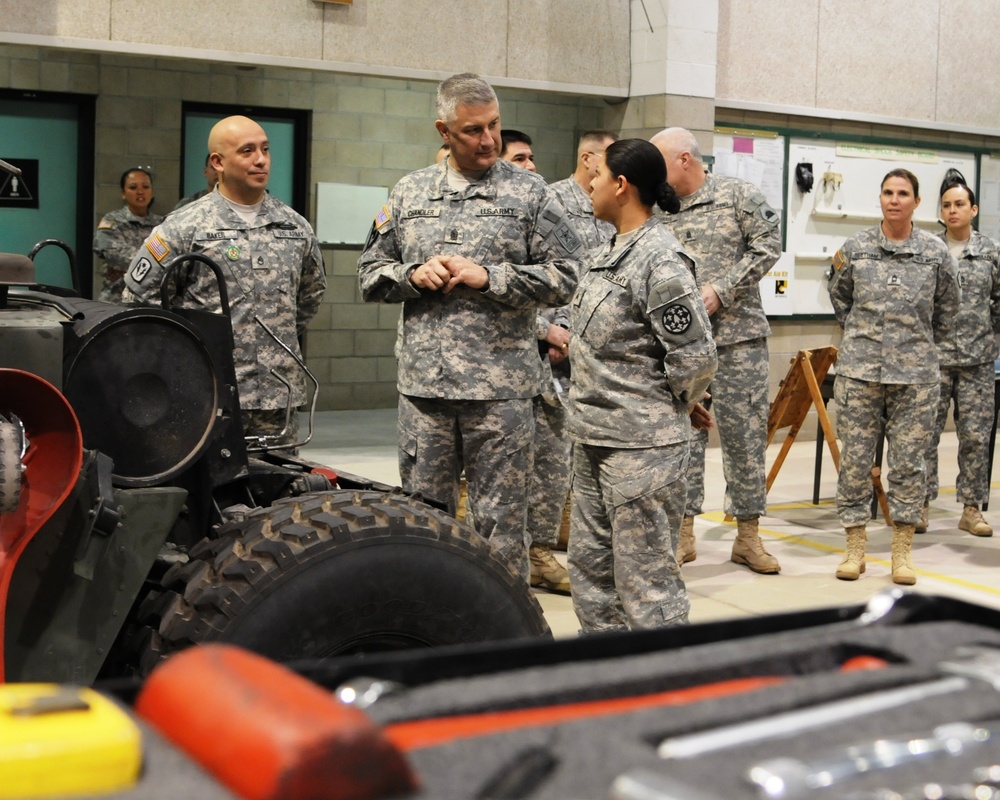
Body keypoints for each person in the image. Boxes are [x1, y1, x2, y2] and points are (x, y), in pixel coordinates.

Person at [357, 73, 581, 581]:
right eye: (472, 130)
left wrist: (492, 278)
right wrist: (412, 275)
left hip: (500, 394)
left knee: (501, 527)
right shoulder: (409, 192)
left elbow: (571, 275)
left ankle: (503, 640)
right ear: (444, 130)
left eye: (494, 125)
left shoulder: (531, 194)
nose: (488, 140)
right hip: (424, 392)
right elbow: (370, 273)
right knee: (424, 521)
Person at [567, 138, 717, 631]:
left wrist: (674, 405)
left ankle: (668, 691)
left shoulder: (660, 260)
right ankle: (608, 685)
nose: (590, 183)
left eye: (599, 175)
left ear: (622, 185)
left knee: (646, 585)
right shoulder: (606, 251)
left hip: (640, 448)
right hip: (593, 436)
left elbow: (695, 357)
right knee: (592, 577)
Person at [123, 115, 326, 448]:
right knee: (211, 496)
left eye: (265, 149)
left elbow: (308, 298)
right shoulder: (184, 227)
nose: (261, 159)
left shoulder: (294, 226)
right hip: (206, 396)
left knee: (282, 494)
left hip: (277, 397)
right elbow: (140, 302)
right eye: (247, 151)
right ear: (217, 161)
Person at [650, 127, 781, 573]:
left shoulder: (737, 195)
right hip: (684, 347)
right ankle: (684, 534)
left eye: (661, 161)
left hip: (739, 341)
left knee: (745, 439)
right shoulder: (659, 209)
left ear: (685, 159)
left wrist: (722, 290)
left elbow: (769, 247)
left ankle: (748, 536)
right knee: (686, 438)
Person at [828, 168, 960, 585]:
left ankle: (901, 553)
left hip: (916, 378)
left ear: (917, 202)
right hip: (860, 374)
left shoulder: (935, 253)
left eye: (903, 193)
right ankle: (855, 550)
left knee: (908, 466)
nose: (894, 199)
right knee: (854, 464)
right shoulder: (856, 248)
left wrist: (914, 347)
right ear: (880, 199)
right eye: (888, 192)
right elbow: (840, 300)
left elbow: (947, 310)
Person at [513, 130, 620, 594]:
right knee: (516, 467)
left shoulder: (612, 209)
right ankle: (510, 555)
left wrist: (576, 335)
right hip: (526, 359)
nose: (530, 167)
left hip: (577, 359)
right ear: (589, 157)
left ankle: (541, 550)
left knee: (557, 467)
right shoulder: (547, 201)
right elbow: (518, 280)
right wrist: (547, 330)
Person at [921, 178, 1000, 537]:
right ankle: (919, 505)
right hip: (932, 360)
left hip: (977, 361)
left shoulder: (991, 252)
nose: (952, 210)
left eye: (959, 204)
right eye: (946, 205)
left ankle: (972, 508)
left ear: (973, 210)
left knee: (976, 437)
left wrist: (986, 335)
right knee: (923, 436)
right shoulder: (928, 250)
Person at [93, 167, 163, 302]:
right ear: (123, 193)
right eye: (133, 187)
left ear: (152, 192)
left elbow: (170, 256)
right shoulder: (112, 221)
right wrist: (154, 264)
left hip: (151, 301)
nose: (140, 192)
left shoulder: (161, 224)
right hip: (116, 300)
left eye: (145, 187)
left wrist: (126, 271)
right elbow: (113, 255)